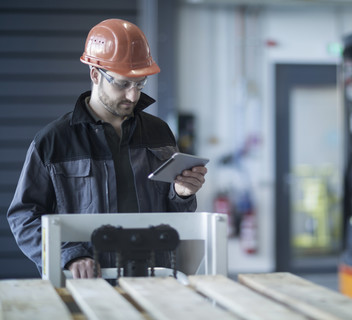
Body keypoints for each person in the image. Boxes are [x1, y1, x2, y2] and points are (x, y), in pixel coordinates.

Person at [7, 19, 207, 279]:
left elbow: (176, 215)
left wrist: (182, 193)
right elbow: (24, 218)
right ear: (94, 74)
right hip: (86, 286)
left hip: (154, 281)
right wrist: (69, 255)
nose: (133, 96)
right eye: (123, 84)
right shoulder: (54, 141)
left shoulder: (159, 133)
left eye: (140, 83)